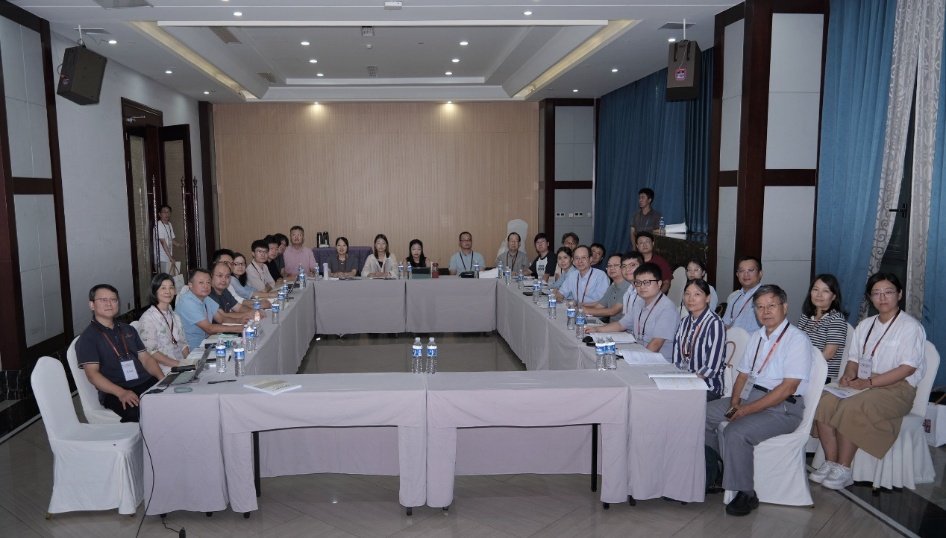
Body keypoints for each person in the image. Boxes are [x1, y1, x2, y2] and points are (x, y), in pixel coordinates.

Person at [810, 273, 926, 490]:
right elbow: (854, 359)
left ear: (899, 294)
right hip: (863, 383)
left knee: (851, 406)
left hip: (897, 389)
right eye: (876, 293)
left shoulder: (910, 327)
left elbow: (907, 368)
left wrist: (868, 383)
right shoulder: (865, 325)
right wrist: (848, 374)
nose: (882, 298)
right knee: (824, 399)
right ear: (870, 297)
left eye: (888, 292)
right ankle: (830, 462)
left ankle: (844, 469)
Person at [705, 284, 811, 516]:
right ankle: (713, 473)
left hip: (782, 408)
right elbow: (743, 375)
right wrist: (735, 404)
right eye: (760, 307)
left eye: (771, 305)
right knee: (703, 414)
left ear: (785, 307)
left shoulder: (796, 340)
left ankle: (746, 493)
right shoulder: (757, 337)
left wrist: (745, 410)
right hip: (750, 397)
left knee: (736, 431)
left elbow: (788, 388)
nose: (765, 311)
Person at [75, 284, 165, 422]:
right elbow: (92, 375)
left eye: (113, 299)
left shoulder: (128, 329)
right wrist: (120, 392)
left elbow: (146, 358)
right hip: (116, 389)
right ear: (92, 305)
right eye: (103, 300)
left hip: (144, 381)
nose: (109, 304)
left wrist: (162, 379)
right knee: (144, 413)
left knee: (172, 400)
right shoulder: (88, 338)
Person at [587, 263, 678, 361]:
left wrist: (636, 359)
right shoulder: (640, 303)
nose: (642, 286)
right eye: (638, 282)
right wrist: (596, 330)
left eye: (647, 282)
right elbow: (621, 325)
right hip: (639, 352)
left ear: (659, 284)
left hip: (658, 361)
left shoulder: (667, 309)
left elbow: (656, 344)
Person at [672, 279, 727, 400]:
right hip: (685, 381)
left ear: (707, 298)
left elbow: (712, 367)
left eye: (697, 294)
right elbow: (676, 356)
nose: (690, 299)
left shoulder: (715, 323)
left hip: (708, 387)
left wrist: (688, 382)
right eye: (687, 294)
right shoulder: (684, 322)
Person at [177, 267, 253, 350]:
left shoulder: (206, 298)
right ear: (190, 285)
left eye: (208, 282)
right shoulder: (187, 302)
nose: (205, 286)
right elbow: (209, 328)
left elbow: (221, 318)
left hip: (207, 343)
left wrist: (239, 321)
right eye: (201, 282)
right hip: (193, 349)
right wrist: (239, 328)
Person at [797, 274, 848, 382]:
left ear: (834, 296)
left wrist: (801, 364)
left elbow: (829, 354)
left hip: (822, 374)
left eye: (825, 291)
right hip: (802, 370)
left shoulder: (836, 319)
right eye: (815, 289)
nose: (819, 295)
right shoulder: (805, 316)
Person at [136, 273, 190, 376]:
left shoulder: (175, 316)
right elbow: (151, 352)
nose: (168, 292)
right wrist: (179, 364)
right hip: (164, 370)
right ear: (154, 291)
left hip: (181, 365)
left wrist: (190, 363)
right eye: (163, 288)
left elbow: (183, 343)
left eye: (171, 288)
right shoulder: (148, 318)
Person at [581, 254, 630, 322]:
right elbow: (598, 306)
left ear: (624, 267)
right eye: (609, 266)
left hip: (622, 327)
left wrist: (583, 310)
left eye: (615, 265)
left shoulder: (628, 286)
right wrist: (580, 306)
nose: (611, 268)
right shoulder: (612, 287)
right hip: (611, 325)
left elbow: (613, 311)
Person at [722, 256, 764, 333]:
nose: (746, 274)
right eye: (742, 271)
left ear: (760, 273)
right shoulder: (733, 298)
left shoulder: (766, 297)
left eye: (751, 270)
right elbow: (726, 324)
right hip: (731, 340)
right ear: (737, 274)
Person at [155, 204, 184, 274]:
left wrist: (179, 245)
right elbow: (163, 242)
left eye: (168, 212)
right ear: (159, 214)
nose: (167, 214)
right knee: (164, 279)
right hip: (161, 259)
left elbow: (170, 239)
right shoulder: (158, 225)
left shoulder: (169, 224)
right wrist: (171, 258)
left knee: (171, 277)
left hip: (168, 257)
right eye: (164, 212)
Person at [619, 252, 644, 317]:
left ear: (642, 267)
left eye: (632, 265)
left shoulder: (647, 292)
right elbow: (625, 319)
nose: (627, 269)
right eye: (624, 266)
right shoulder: (627, 293)